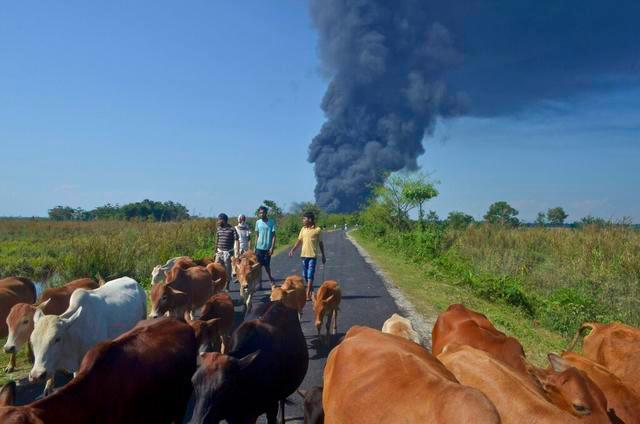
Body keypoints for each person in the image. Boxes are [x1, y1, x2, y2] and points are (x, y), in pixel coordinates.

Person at [289, 211, 326, 301]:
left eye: (304, 219)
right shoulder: (303, 229)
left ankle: (307, 293)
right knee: (305, 274)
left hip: (312, 256)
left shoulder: (317, 230)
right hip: (303, 256)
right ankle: (311, 289)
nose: (303, 220)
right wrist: (293, 249)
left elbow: (321, 243)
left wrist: (323, 255)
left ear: (310, 219)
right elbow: (299, 241)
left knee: (310, 275)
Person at [214, 213, 238, 290]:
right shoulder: (219, 229)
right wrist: (215, 251)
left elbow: (236, 240)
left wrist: (236, 252)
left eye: (219, 220)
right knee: (216, 268)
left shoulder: (232, 229)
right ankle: (217, 285)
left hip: (228, 252)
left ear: (224, 220)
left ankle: (227, 285)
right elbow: (217, 240)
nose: (218, 222)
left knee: (228, 270)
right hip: (219, 252)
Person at [254, 205, 277, 287]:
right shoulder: (258, 222)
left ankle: (271, 280)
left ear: (266, 213)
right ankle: (260, 284)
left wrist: (272, 247)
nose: (261, 214)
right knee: (258, 267)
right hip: (259, 248)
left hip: (267, 248)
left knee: (267, 266)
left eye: (263, 213)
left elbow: (274, 236)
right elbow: (257, 235)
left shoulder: (271, 222)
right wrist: (255, 247)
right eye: (260, 213)